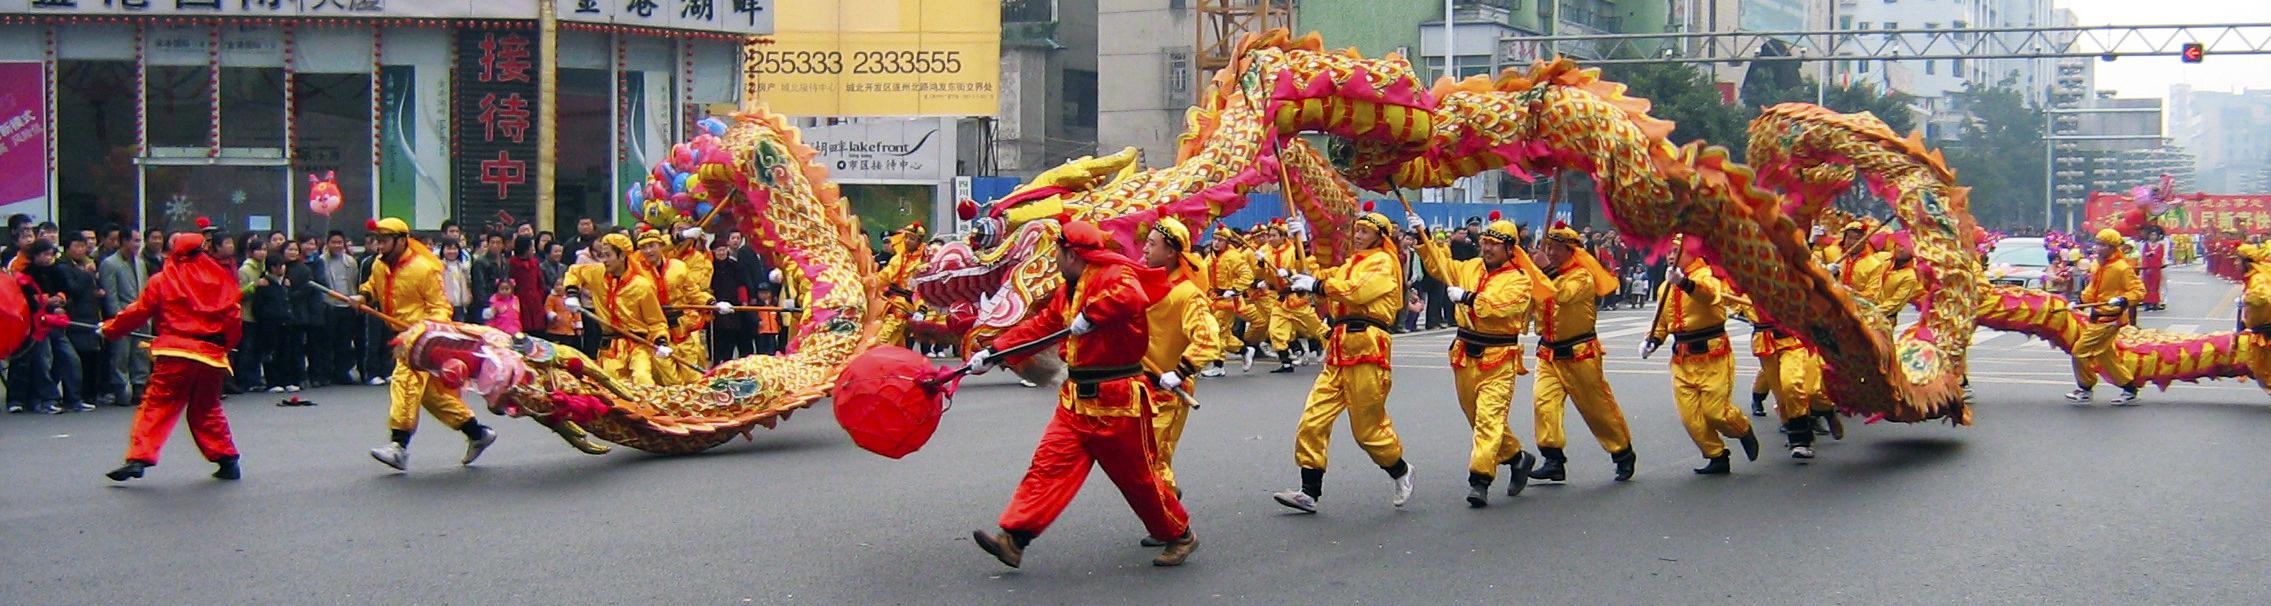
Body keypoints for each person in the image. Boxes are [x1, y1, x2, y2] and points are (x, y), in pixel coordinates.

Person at [963, 220, 1197, 569]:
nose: (1054, 259)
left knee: (1140, 482)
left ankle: (1180, 535)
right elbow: (1040, 326)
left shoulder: (1114, 274)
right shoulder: (1067, 290)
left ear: (1071, 254)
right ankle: (1015, 538)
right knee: (1047, 467)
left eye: (1056, 253)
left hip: (1117, 401)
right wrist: (993, 351)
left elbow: (1133, 296)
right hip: (1075, 401)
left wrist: (1093, 314)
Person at [1271, 206, 1416, 513]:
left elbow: (1358, 292)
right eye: (1357, 231)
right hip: (1338, 350)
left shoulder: (1385, 263)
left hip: (1368, 348)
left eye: (1365, 232)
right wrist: (1302, 246)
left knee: (1368, 431)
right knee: (1312, 419)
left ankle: (1400, 469)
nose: (1358, 236)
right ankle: (1309, 491)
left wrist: (1318, 285)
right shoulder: (1352, 263)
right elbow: (1324, 282)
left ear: (1379, 237)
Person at [1410, 211, 1547, 506]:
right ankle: (1517, 457)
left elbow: (1503, 307)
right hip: (1465, 355)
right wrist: (1424, 237)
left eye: (1494, 245)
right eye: (1484, 242)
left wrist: (1469, 298)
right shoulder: (1471, 267)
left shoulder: (1520, 280)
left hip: (1498, 358)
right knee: (1478, 419)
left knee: (1489, 419)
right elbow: (1439, 266)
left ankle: (1480, 480)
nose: (1487, 248)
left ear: (1510, 249)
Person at [100, 231, 246, 482]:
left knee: (157, 405)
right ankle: (226, 459)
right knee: (207, 408)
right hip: (210, 356)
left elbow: (138, 312)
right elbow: (233, 318)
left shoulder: (163, 280)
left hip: (175, 353)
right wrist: (225, 347)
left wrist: (110, 329)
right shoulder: (220, 280)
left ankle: (139, 457)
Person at [356, 218, 499, 471]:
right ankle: (477, 432)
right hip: (399, 334)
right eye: (377, 240)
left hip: (420, 340)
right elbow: (373, 287)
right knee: (432, 397)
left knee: (405, 382)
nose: (379, 246)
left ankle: (399, 445)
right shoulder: (379, 265)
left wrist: (421, 333)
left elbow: (440, 308)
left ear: (401, 241)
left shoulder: (424, 268)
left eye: (384, 240)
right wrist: (363, 295)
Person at [1528, 223, 1638, 483]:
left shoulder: (1581, 276)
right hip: (1549, 353)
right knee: (1544, 402)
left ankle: (1622, 452)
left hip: (1580, 353)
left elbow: (1563, 295)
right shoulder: (1546, 273)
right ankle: (1553, 458)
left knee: (1596, 408)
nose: (1551, 253)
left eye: (1556, 249)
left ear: (1569, 251)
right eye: (1549, 248)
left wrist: (1546, 269)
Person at [1643, 239, 1759, 475]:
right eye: (1668, 252)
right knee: (1690, 417)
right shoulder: (1665, 287)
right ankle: (1716, 455)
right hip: (1682, 360)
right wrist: (1652, 341)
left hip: (1712, 356)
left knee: (1716, 412)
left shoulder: (1707, 274)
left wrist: (1684, 282)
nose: (1670, 256)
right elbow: (1663, 323)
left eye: (1676, 251)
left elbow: (1708, 296)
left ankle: (1742, 429)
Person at [1138, 217, 1222, 502]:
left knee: (1154, 458)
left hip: (1168, 390)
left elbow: (1208, 337)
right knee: (1139, 458)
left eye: (1152, 244)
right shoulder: (1145, 283)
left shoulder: (1187, 294)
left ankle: (1174, 523)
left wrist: (1180, 370)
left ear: (1171, 252)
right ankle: (1167, 501)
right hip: (1139, 385)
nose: (1145, 249)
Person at [562, 233, 674, 386]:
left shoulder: (641, 286)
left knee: (642, 379)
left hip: (637, 345)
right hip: (610, 346)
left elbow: (657, 321)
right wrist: (572, 293)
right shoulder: (597, 274)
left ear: (622, 256)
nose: (604, 260)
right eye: (602, 255)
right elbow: (574, 271)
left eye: (608, 255)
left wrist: (661, 341)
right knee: (612, 386)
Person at [2066, 228, 2145, 405]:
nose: (2097, 247)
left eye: (2102, 245)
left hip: (2110, 319)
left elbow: (2139, 291)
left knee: (2079, 352)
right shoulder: (2096, 265)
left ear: (2112, 247)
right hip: (2096, 315)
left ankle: (2085, 388)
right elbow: (2092, 290)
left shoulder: (2122, 268)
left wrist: (2123, 299)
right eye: (2097, 243)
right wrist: (2077, 300)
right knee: (2105, 356)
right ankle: (2129, 387)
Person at [12, 240, 86, 413]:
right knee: (43, 361)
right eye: (45, 254)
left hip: (56, 322)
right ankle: (47, 399)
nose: (48, 258)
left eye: (51, 254)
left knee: (70, 359)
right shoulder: (26, 274)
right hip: (38, 325)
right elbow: (27, 300)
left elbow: (67, 291)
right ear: (35, 255)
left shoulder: (57, 270)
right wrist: (46, 301)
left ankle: (74, 398)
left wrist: (61, 299)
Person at [99, 229, 153, 406]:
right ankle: (121, 389)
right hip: (123, 314)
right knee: (121, 354)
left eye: (139, 241)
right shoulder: (110, 264)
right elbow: (111, 295)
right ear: (124, 242)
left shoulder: (140, 262)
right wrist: (118, 318)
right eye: (135, 241)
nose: (138, 245)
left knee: (141, 353)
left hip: (142, 313)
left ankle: (139, 386)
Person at [58, 232, 109, 406]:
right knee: (78, 359)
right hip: (76, 317)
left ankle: (89, 395)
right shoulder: (63, 267)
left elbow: (94, 287)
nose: (81, 250)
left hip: (91, 315)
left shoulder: (86, 264)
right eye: (77, 246)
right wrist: (86, 275)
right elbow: (74, 289)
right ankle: (75, 396)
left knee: (92, 358)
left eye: (83, 246)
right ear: (67, 248)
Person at [1204, 227, 1258, 375]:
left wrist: (1234, 290)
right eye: (1215, 239)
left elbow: (1247, 275)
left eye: (1220, 240)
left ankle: (1218, 365)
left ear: (1227, 242)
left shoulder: (1234, 256)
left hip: (1228, 299)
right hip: (1215, 299)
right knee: (1223, 333)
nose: (1216, 243)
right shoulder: (1209, 257)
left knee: (1218, 331)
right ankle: (1244, 350)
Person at [252, 245, 302, 392]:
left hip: (286, 322)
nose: (282, 269)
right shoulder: (264, 284)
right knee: (271, 353)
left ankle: (287, 381)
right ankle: (273, 382)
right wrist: (266, 318)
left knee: (287, 352)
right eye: (279, 267)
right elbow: (258, 307)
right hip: (269, 324)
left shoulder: (285, 283)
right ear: (272, 268)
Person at [709, 238, 756, 362]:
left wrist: (744, 302)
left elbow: (742, 285)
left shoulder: (734, 266)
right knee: (717, 337)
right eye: (719, 251)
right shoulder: (710, 267)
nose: (722, 253)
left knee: (732, 334)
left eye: (724, 250)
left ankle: (728, 360)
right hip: (715, 306)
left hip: (733, 306)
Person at [2141, 226, 2168, 311]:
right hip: (2147, 269)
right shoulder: (2145, 245)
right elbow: (2143, 256)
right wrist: (2146, 267)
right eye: (2151, 235)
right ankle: (2147, 303)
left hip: (2156, 269)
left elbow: (2160, 256)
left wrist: (2153, 254)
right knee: (2147, 286)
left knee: (2155, 287)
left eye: (2155, 235)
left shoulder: (2160, 245)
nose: (2153, 237)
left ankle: (2155, 303)